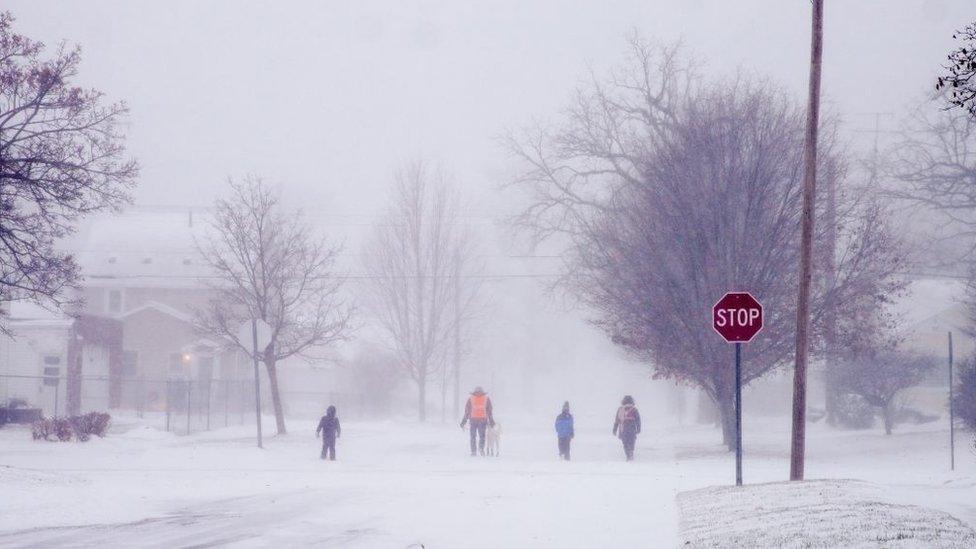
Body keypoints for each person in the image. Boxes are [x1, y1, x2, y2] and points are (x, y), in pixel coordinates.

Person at [460, 386, 494, 456]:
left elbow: (467, 411)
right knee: (482, 436)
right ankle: (481, 448)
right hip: (482, 420)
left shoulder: (471, 399)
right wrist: (491, 422)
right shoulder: (486, 399)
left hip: (473, 420)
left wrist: (464, 421)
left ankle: (473, 451)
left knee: (473, 436)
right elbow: (489, 411)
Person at [612, 395, 641, 461]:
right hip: (632, 429)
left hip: (623, 429)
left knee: (625, 443)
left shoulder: (620, 409)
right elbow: (638, 420)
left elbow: (617, 420)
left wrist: (615, 429)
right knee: (631, 442)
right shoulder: (634, 409)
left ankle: (628, 455)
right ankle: (631, 453)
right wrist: (638, 428)